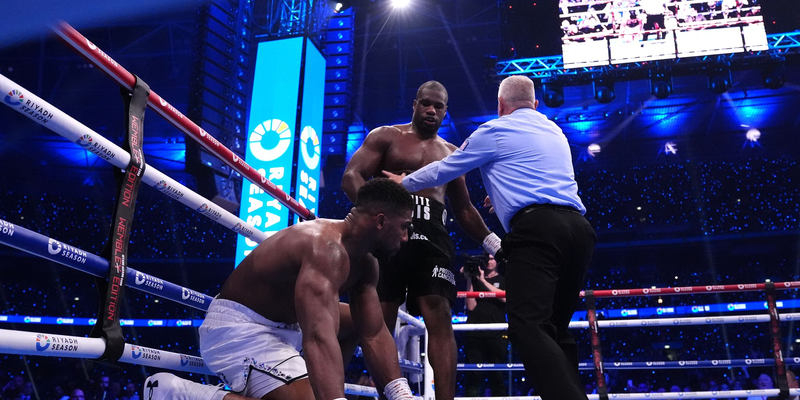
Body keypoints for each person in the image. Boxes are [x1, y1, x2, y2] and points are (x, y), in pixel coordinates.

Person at [385, 75, 596, 400]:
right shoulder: (554, 130)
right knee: (555, 330)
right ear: (535, 105)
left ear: (500, 106)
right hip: (579, 232)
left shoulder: (494, 131)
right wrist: (500, 199)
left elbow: (445, 168)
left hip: (538, 233)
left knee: (528, 327)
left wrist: (404, 183)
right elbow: (538, 178)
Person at [144, 178, 418, 400]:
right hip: (240, 329)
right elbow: (319, 337)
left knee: (355, 322)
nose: (406, 238)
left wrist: (401, 394)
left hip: (287, 330)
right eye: (404, 228)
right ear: (380, 222)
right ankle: (184, 393)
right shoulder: (324, 248)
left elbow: (373, 332)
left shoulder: (367, 263)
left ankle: (316, 389)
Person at [341, 80, 502, 400]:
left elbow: (465, 210)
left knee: (440, 316)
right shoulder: (386, 136)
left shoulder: (452, 153)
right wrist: (379, 216)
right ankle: (388, 395)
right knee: (379, 321)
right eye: (426, 103)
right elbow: (351, 176)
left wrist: (495, 243)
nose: (431, 110)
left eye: (438, 106)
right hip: (385, 239)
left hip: (432, 239)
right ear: (415, 104)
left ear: (445, 112)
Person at [460, 254, 507, 397]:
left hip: (497, 332)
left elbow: (505, 298)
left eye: (492, 258)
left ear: (497, 261)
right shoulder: (474, 280)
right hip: (475, 331)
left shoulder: (503, 280)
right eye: (486, 259)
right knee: (473, 375)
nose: (489, 261)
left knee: (497, 375)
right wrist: (470, 279)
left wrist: (483, 281)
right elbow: (471, 306)